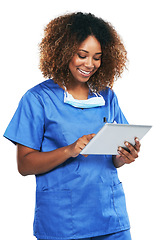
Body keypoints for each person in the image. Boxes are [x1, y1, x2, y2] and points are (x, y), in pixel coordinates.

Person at [4, 12, 141, 240]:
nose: (90, 64)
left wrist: (124, 156)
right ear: (64, 52)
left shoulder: (107, 97)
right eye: (82, 55)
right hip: (63, 222)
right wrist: (69, 150)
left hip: (111, 218)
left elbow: (113, 159)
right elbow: (24, 164)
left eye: (97, 57)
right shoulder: (38, 99)